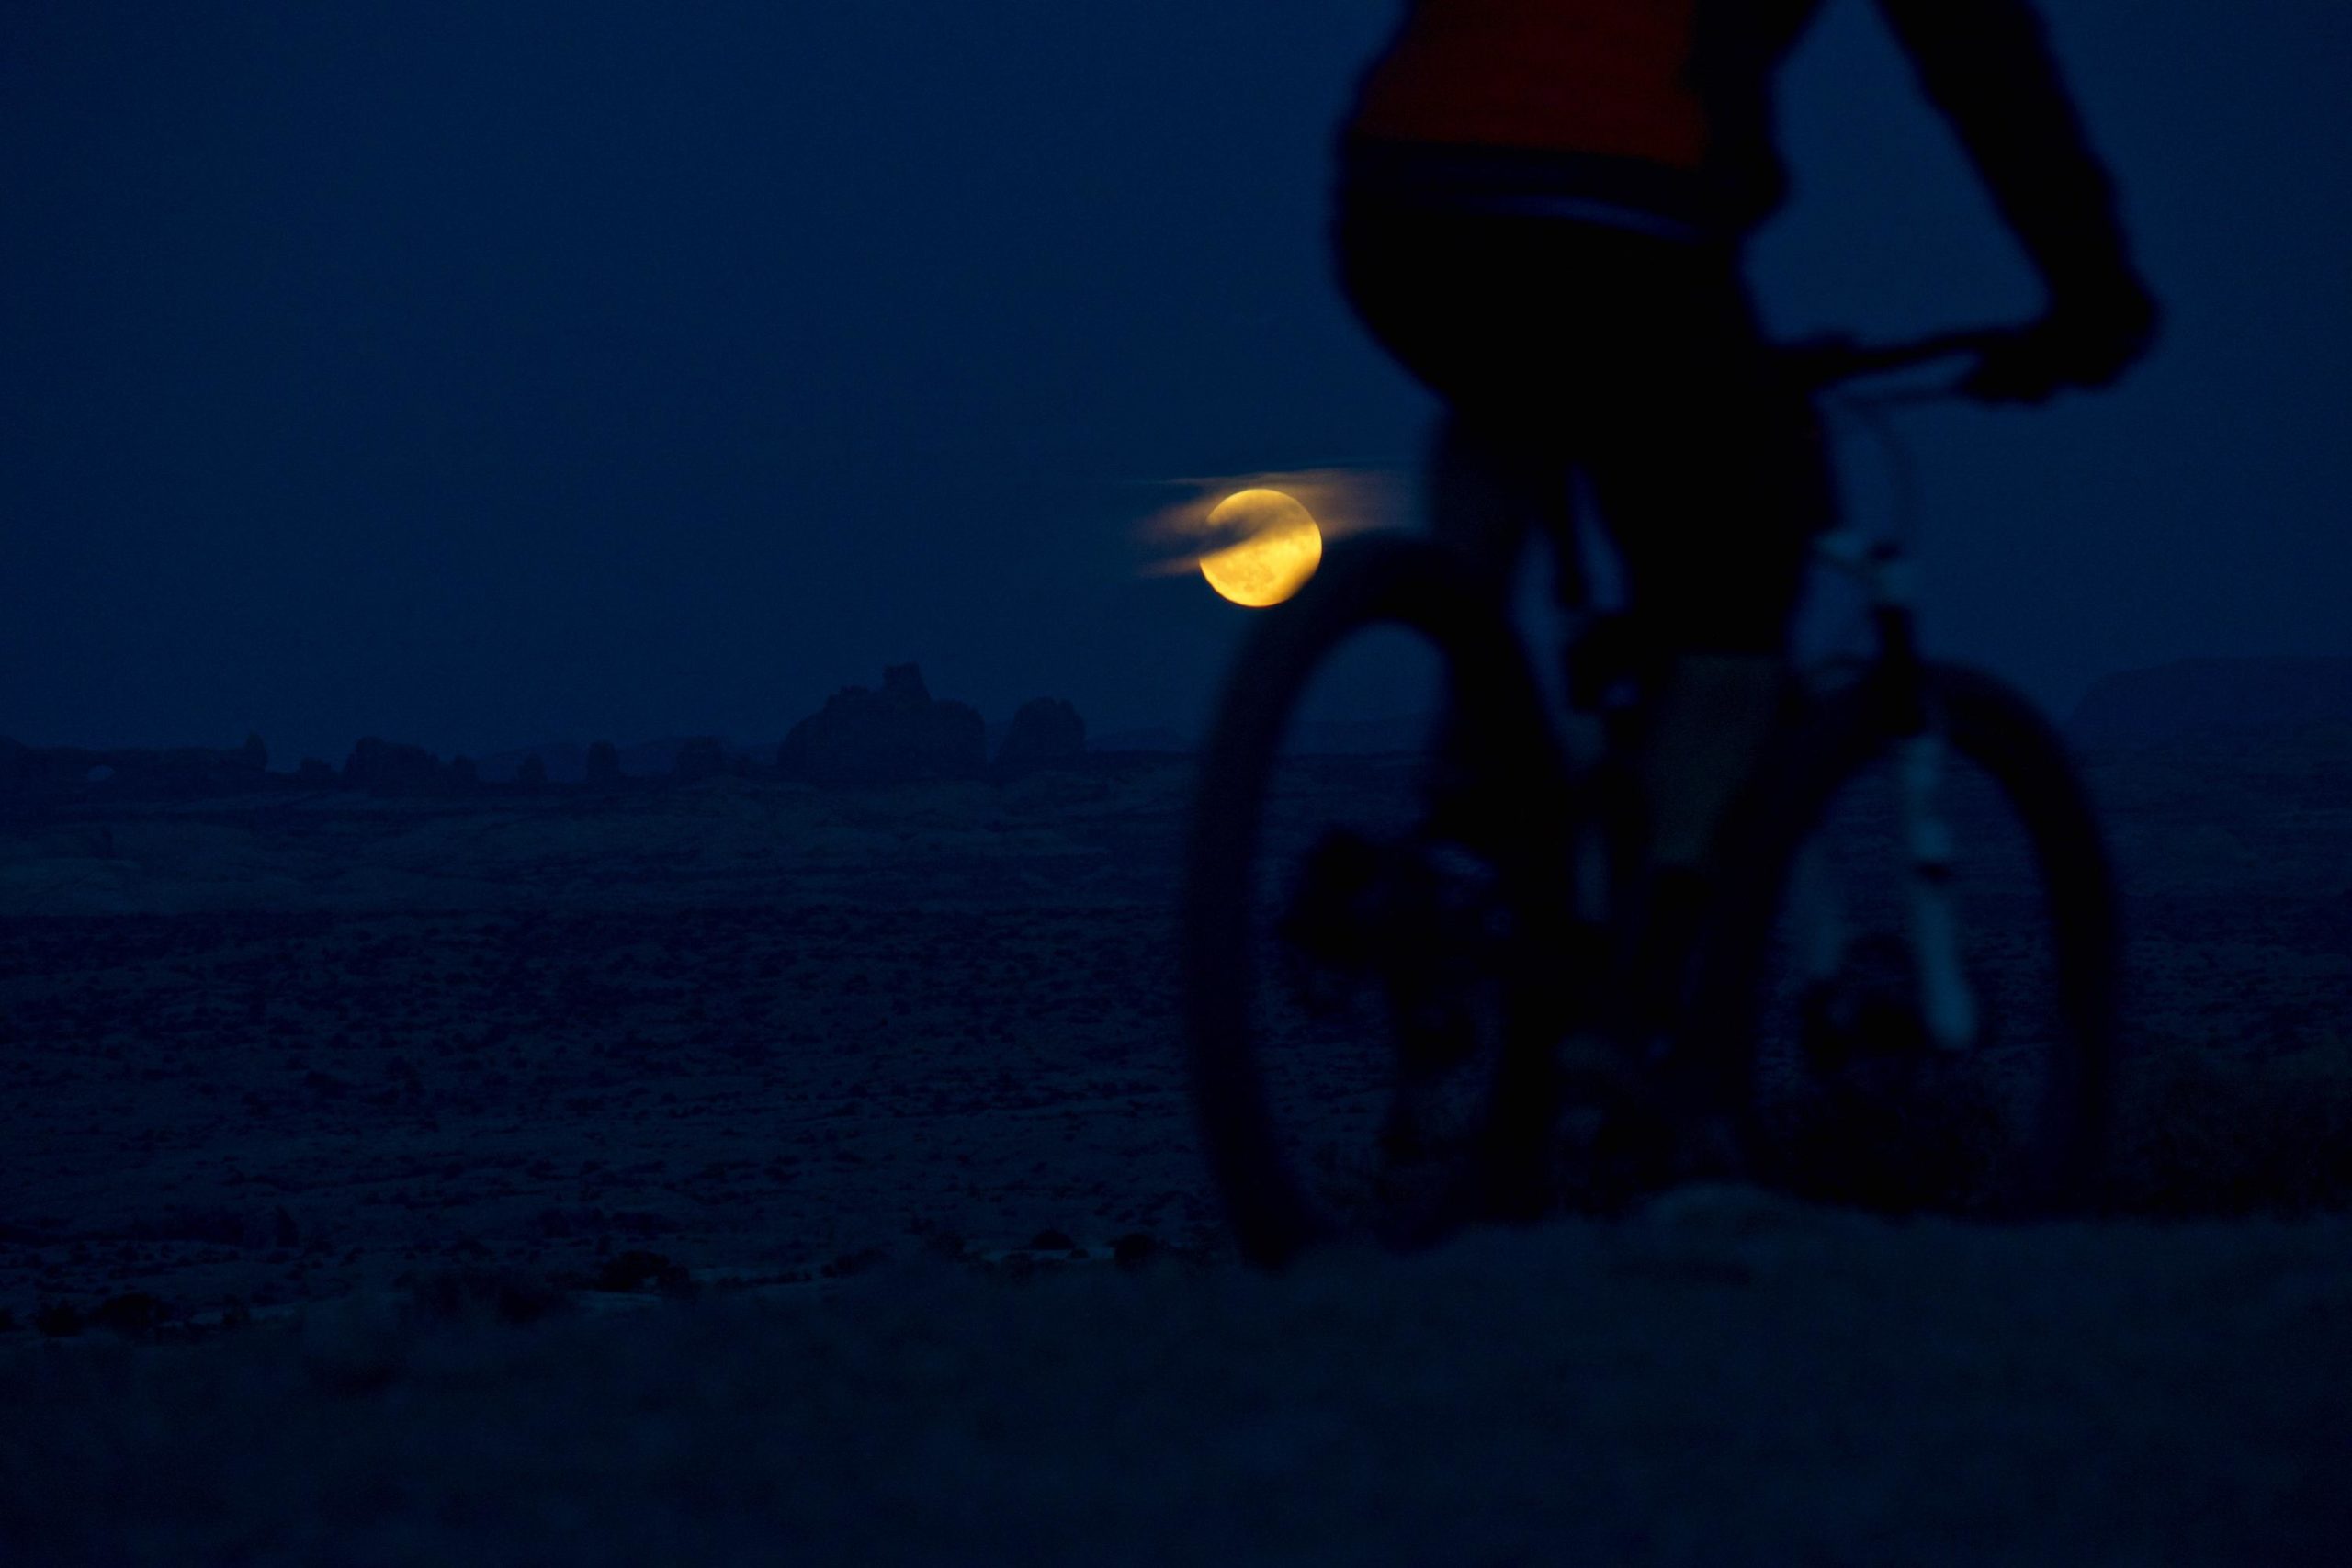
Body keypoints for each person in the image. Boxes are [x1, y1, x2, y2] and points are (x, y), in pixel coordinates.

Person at [1332, 0, 2158, 1020]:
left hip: (1400, 192)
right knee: (1736, 592)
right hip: (1625, 206)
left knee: (1505, 391)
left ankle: (1462, 770)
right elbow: (1985, 65)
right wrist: (2094, 293)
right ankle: (1637, 995)